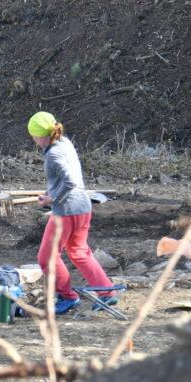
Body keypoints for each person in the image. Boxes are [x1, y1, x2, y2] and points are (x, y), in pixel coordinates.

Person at [28, 111, 116, 314]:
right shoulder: (64, 142)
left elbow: (70, 181)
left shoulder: (53, 154)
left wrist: (52, 199)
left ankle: (67, 297)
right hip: (82, 206)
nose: (33, 140)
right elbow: (66, 179)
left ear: (39, 135)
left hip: (66, 211)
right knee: (78, 252)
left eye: (33, 136)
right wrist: (51, 192)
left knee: (46, 258)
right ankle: (107, 292)